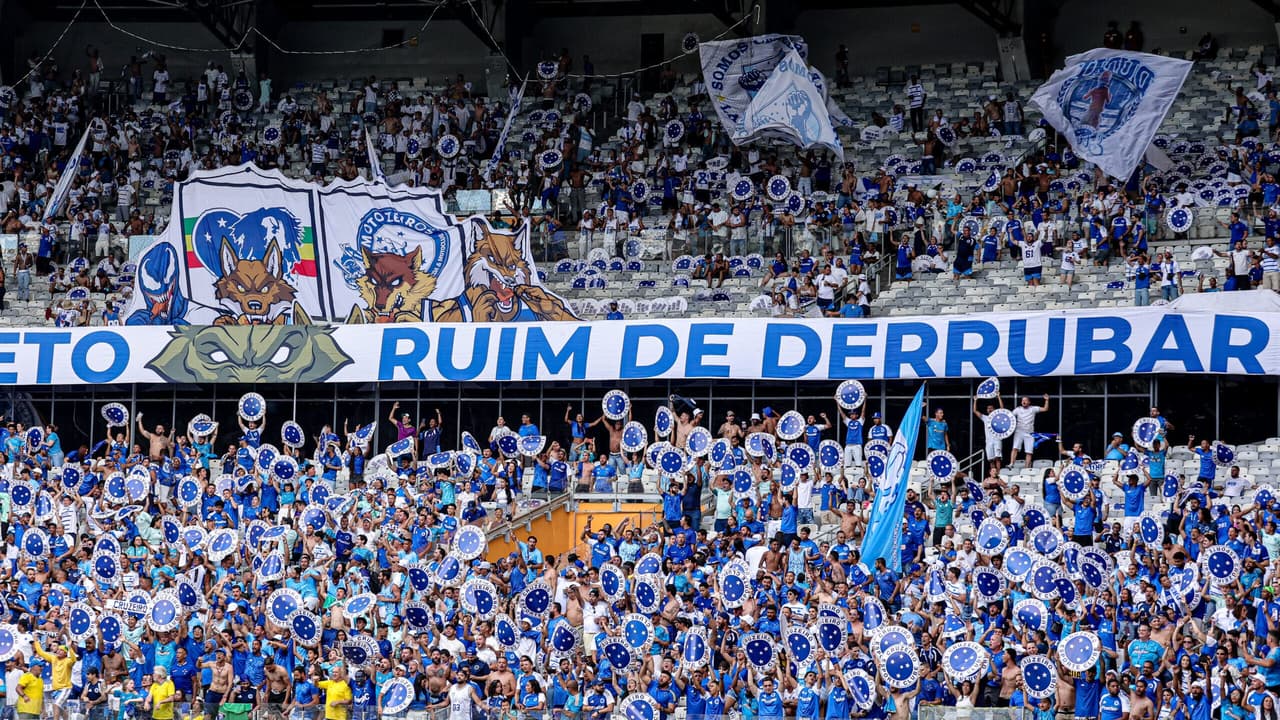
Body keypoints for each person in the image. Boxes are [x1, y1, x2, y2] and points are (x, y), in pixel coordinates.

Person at [1009, 394, 1050, 469]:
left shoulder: (1033, 408)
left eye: (1025, 400)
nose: (1023, 402)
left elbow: (1045, 409)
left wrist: (1046, 400)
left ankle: (1026, 468)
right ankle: (1011, 463)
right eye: (1022, 400)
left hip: (1030, 433)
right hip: (1019, 431)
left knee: (1029, 451)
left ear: (1029, 402)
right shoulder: (1018, 409)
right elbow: (1009, 416)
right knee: (1015, 448)